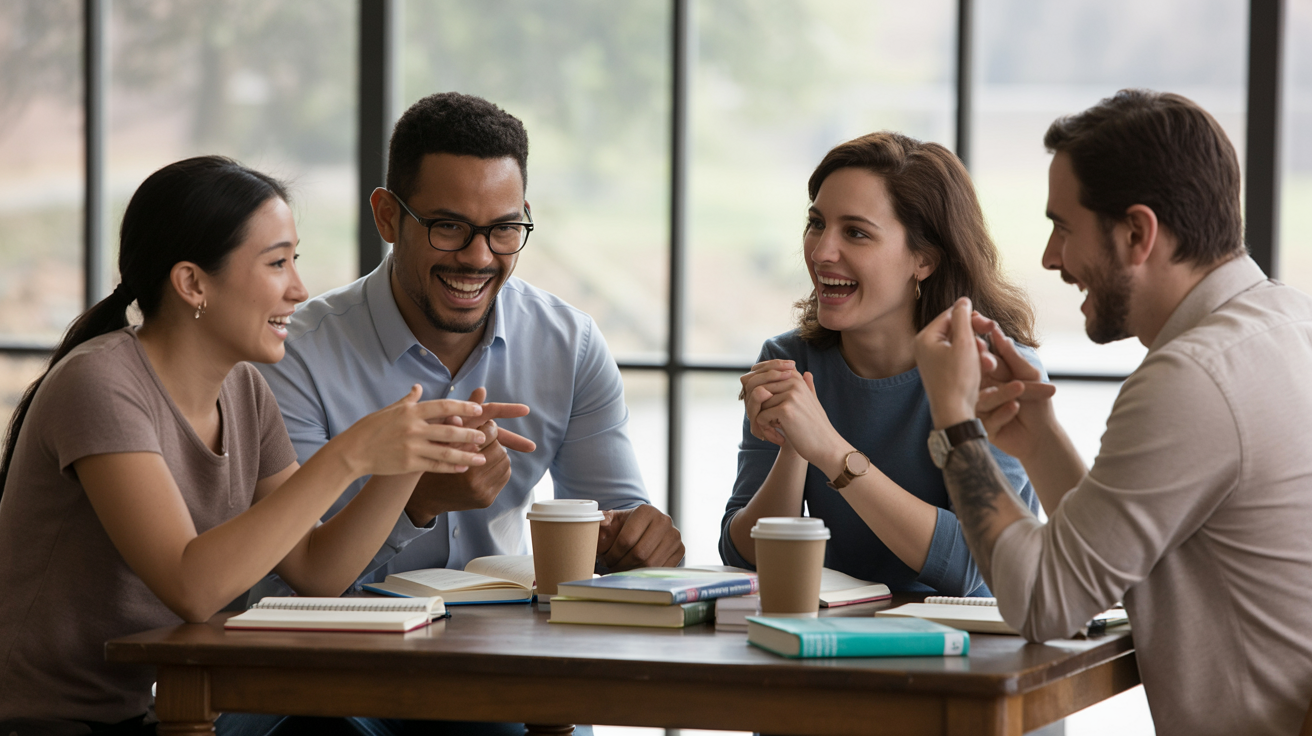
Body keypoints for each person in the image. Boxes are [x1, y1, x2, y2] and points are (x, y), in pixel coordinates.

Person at [0, 156, 494, 735]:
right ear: (192, 283)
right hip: (45, 721)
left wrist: (410, 456)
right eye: (277, 263)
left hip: (163, 708)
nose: (299, 289)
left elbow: (316, 570)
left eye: (295, 260)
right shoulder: (101, 384)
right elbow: (191, 586)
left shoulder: (243, 390)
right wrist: (349, 454)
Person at [913, 89, 1312, 736]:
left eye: (1064, 227)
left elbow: (1045, 603)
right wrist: (1037, 441)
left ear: (1136, 233)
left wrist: (955, 424)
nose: (1051, 257)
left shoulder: (1193, 378)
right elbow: (1109, 564)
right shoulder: (1289, 321)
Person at [255, 91, 683, 599]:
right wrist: (416, 503)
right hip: (346, 642)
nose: (478, 257)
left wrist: (637, 543)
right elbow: (286, 577)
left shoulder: (571, 345)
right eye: (449, 227)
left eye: (503, 229)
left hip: (508, 638)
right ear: (387, 216)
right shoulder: (295, 356)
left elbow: (614, 525)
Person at [719, 131, 1041, 596]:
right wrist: (794, 446)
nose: (821, 252)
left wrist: (831, 452)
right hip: (833, 634)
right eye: (816, 224)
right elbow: (743, 557)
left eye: (856, 232)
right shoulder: (789, 360)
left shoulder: (996, 372)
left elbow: (978, 566)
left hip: (970, 639)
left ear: (924, 259)